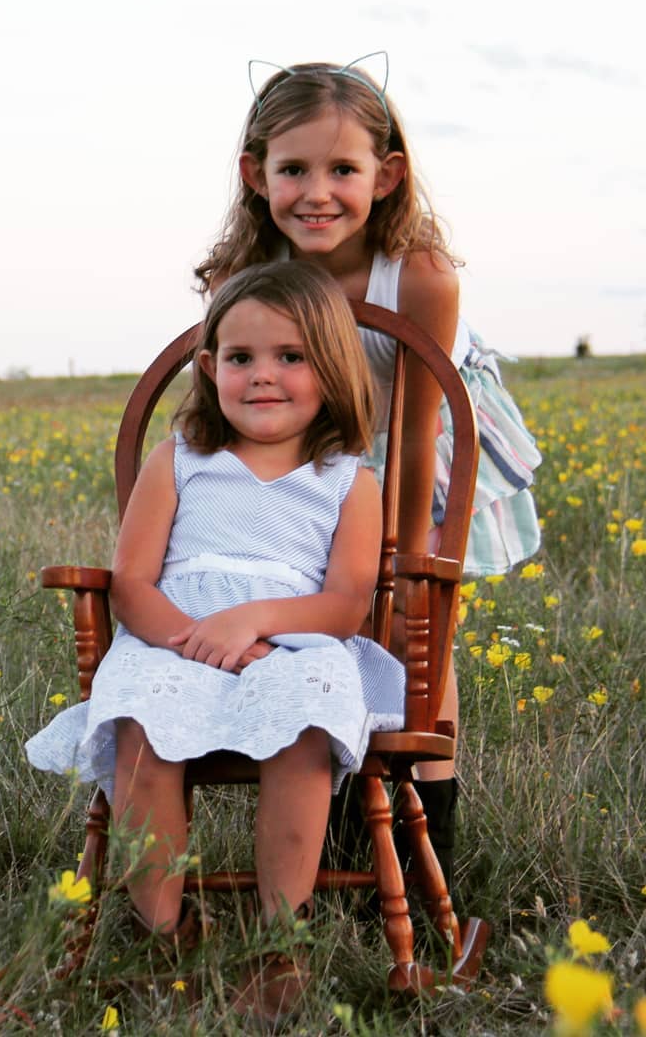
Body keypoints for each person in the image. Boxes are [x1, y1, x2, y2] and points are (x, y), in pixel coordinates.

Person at [195, 57, 542, 888]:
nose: (319, 193)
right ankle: (338, 812)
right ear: (256, 174)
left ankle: (427, 844)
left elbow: (418, 436)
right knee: (322, 627)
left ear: (386, 176)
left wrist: (401, 558)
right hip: (318, 461)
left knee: (414, 640)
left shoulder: (417, 275)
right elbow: (235, 403)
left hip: (414, 450)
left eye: (343, 170)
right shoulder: (243, 278)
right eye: (294, 170)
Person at [27, 261, 406, 1020]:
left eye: (290, 358)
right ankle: (163, 931)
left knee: (302, 731)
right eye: (240, 358)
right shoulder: (179, 460)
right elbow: (132, 580)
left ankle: (277, 943)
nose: (263, 376)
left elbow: (343, 604)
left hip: (293, 640)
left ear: (331, 371)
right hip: (172, 635)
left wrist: (256, 621)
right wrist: (190, 637)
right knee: (141, 726)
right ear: (209, 368)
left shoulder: (346, 481)